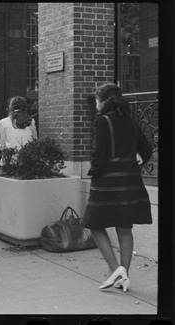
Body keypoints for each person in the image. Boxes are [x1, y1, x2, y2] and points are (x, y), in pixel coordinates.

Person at [82, 83, 152, 292]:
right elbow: (146, 149)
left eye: (96, 100)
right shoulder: (130, 122)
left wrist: (94, 171)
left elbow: (99, 154)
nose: (95, 104)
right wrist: (136, 161)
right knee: (124, 225)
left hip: (107, 181)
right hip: (130, 181)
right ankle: (124, 276)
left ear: (103, 101)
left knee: (93, 223)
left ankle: (115, 269)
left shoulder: (101, 121)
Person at [0, 96, 37, 161]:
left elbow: (3, 144)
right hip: (28, 158)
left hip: (11, 159)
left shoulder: (3, 122)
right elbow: (35, 139)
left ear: (11, 108)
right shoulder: (31, 121)